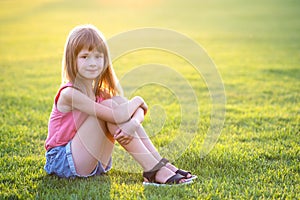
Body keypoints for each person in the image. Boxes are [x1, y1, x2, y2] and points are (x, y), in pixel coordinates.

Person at [44, 24, 197, 186]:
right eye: (85, 57)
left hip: (94, 163)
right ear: (71, 59)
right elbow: (119, 115)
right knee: (111, 110)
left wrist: (132, 124)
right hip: (63, 162)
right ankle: (154, 170)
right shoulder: (70, 94)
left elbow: (132, 113)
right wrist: (138, 100)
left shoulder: (100, 93)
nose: (93, 63)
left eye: (98, 56)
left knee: (115, 103)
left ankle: (159, 164)